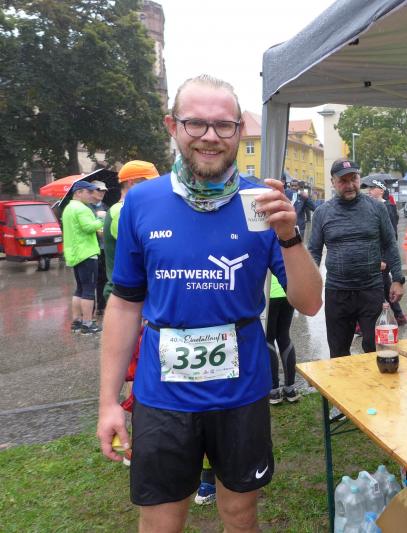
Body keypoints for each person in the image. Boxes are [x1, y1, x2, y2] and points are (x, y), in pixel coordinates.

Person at [96, 74, 323, 533]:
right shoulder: (142, 202)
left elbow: (310, 302)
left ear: (239, 130)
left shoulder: (262, 202)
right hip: (163, 394)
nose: (210, 137)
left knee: (240, 515)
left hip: (241, 393)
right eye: (195, 123)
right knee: (161, 521)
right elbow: (124, 305)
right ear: (172, 126)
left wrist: (290, 236)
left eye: (224, 125)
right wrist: (107, 403)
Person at [309, 159, 404, 357]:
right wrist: (310, 287)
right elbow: (314, 252)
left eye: (354, 179)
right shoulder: (322, 213)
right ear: (333, 182)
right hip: (337, 293)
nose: (350, 185)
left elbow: (389, 243)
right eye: (343, 181)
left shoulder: (377, 208)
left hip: (371, 290)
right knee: (338, 353)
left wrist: (397, 279)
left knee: (376, 350)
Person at [103, 161, 160, 302]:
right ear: (131, 183)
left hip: (136, 292)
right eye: (150, 182)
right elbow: (144, 249)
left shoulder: (133, 209)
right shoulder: (120, 211)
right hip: (124, 296)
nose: (156, 187)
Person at [63, 180, 105, 335]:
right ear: (78, 192)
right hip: (87, 253)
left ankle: (76, 322)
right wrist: (101, 219)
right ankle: (87, 324)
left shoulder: (68, 208)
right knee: (88, 290)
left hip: (75, 253)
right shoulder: (82, 208)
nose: (91, 195)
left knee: (80, 289)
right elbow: (88, 227)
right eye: (89, 191)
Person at [364, 178, 406, 325]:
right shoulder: (373, 207)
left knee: (375, 287)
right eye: (369, 188)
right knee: (385, 284)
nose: (369, 191)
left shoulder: (388, 207)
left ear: (381, 190)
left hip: (382, 256)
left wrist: (384, 259)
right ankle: (399, 316)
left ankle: (368, 322)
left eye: (373, 188)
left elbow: (391, 236)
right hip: (376, 254)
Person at [267, 274, 299, 404]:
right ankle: (290, 388)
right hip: (287, 291)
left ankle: (274, 391)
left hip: (268, 293)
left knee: (268, 339)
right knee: (284, 337)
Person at [91, 181, 110, 316]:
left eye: (104, 190)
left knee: (103, 278)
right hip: (92, 248)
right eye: (99, 190)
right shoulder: (86, 208)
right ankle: (89, 309)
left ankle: (101, 307)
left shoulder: (106, 207)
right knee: (91, 280)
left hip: (104, 248)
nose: (102, 193)